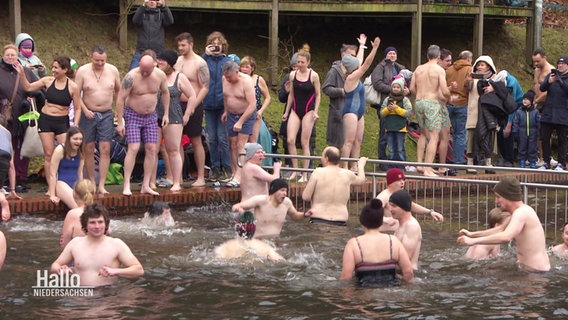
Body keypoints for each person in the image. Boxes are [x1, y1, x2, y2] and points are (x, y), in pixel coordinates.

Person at [15, 56, 82, 192]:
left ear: (65, 69)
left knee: (66, 152)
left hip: (62, 122)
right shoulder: (48, 81)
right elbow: (28, 87)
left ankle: (65, 183)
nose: (53, 70)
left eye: (56, 68)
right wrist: (21, 73)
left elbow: (78, 108)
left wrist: (75, 124)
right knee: (48, 154)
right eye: (53, 67)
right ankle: (51, 187)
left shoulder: (73, 87)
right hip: (46, 120)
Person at [457, 176, 551, 272]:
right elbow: (499, 230)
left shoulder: (522, 212)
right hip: (529, 270)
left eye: (498, 197)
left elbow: (506, 236)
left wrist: (473, 241)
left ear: (508, 196)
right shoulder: (519, 212)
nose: (496, 201)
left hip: (537, 272)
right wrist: (472, 234)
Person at [51, 203, 144, 287]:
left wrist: (115, 271)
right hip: (79, 297)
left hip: (107, 297)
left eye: (100, 222)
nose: (97, 226)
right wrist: (60, 269)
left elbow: (138, 270)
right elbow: (55, 265)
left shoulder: (116, 244)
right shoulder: (75, 243)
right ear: (85, 225)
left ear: (106, 223)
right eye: (92, 222)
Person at [116, 54, 170, 196]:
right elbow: (120, 98)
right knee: (133, 147)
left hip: (151, 116)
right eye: (142, 70)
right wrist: (120, 121)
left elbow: (165, 92)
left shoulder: (160, 76)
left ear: (154, 66)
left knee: (152, 148)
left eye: (148, 70)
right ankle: (126, 184)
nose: (144, 73)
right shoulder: (131, 77)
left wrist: (166, 114)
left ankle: (146, 184)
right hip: (133, 114)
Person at [74, 45, 121, 194]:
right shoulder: (82, 71)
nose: (100, 63)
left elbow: (120, 92)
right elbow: (75, 94)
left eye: (103, 61)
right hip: (88, 113)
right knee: (88, 148)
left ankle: (102, 184)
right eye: (97, 61)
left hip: (106, 113)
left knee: (105, 148)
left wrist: (119, 115)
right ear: (91, 57)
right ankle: (91, 181)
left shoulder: (113, 70)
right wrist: (85, 110)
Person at [152, 49, 197, 192]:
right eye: (158, 60)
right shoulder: (154, 74)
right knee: (153, 149)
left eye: (162, 61)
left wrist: (187, 114)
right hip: (155, 115)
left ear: (170, 63)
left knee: (173, 150)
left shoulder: (179, 77)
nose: (159, 62)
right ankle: (151, 181)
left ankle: (177, 181)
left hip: (173, 116)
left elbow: (192, 95)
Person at [340, 199, 413, 286]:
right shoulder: (393, 241)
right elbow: (408, 272)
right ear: (381, 221)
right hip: (390, 294)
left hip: (363, 295)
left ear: (362, 221)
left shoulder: (354, 244)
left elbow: (346, 277)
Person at [1, 44, 39, 191]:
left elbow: (37, 86)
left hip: (23, 115)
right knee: (5, 147)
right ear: (3, 56)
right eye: (8, 55)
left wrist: (32, 97)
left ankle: (21, 178)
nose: (10, 57)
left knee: (23, 146)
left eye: (13, 55)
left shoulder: (26, 72)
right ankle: (4, 178)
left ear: (17, 56)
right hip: (4, 116)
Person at [174, 32, 210, 188]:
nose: (181, 48)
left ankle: (201, 176)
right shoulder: (177, 60)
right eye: (179, 45)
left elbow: (205, 87)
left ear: (191, 44)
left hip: (193, 104)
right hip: (177, 105)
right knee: (176, 142)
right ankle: (179, 177)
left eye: (183, 45)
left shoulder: (199, 63)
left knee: (196, 140)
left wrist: (193, 105)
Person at [410, 45, 451, 177]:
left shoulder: (418, 69)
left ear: (427, 55)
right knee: (434, 136)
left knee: (423, 133)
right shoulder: (439, 70)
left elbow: (411, 88)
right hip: (432, 103)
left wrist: (420, 96)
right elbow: (444, 91)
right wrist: (450, 97)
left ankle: (420, 164)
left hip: (419, 102)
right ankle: (427, 169)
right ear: (439, 56)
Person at [341, 35, 380, 169]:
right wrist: (375, 48)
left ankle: (355, 166)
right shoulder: (351, 78)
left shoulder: (354, 74)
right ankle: (345, 167)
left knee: (358, 141)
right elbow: (366, 64)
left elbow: (359, 61)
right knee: (349, 141)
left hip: (359, 113)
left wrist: (362, 46)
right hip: (350, 112)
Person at [282, 50, 321, 183]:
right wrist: (287, 112)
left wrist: (315, 111)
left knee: (305, 142)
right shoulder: (293, 75)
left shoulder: (313, 75)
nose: (299, 64)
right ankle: (295, 170)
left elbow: (318, 94)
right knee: (290, 140)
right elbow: (291, 95)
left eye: (302, 62)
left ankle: (305, 173)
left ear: (308, 62)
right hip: (295, 109)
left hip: (308, 110)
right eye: (298, 62)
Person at [302, 146, 367, 225]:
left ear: (326, 159)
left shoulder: (318, 172)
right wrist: (361, 166)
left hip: (319, 218)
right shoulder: (347, 174)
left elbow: (306, 197)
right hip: (340, 220)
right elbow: (361, 180)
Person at [370, 46, 407, 169]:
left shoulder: (400, 68)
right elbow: (377, 83)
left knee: (399, 133)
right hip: (385, 103)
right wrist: (392, 89)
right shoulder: (380, 67)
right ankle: (383, 161)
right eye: (390, 53)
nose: (392, 55)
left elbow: (409, 82)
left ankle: (397, 161)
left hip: (401, 104)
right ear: (386, 55)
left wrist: (407, 90)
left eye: (394, 53)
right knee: (384, 133)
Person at [202, 31, 232, 183]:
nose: (215, 45)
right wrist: (206, 55)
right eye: (213, 43)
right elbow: (198, 69)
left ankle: (226, 168)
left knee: (222, 137)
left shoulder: (226, 61)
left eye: (218, 43)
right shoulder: (204, 60)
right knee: (211, 139)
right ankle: (214, 169)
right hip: (208, 104)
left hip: (222, 105)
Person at [221, 60, 257, 187]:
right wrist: (225, 111)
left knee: (241, 144)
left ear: (237, 72)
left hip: (245, 114)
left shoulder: (246, 81)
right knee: (233, 144)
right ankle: (234, 172)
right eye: (226, 77)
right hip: (231, 114)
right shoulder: (224, 79)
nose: (228, 79)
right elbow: (226, 97)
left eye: (230, 77)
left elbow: (253, 104)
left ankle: (240, 176)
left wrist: (241, 122)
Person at [232, 178, 306, 238]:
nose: (285, 193)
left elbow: (295, 215)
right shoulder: (261, 200)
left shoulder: (287, 203)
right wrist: (240, 210)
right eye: (282, 190)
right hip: (258, 242)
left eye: (286, 191)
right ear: (274, 191)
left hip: (276, 243)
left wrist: (305, 214)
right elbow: (236, 206)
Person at [376, 168, 444, 228]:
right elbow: (370, 213)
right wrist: (385, 219)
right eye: (399, 180)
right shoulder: (383, 196)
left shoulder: (400, 195)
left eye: (403, 180)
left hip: (398, 232)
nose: (402, 182)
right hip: (386, 235)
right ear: (391, 182)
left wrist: (430, 212)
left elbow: (411, 205)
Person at [322, 43, 359, 148]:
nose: (352, 58)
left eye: (354, 56)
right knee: (336, 145)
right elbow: (326, 88)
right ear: (343, 55)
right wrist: (342, 91)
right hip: (337, 112)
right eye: (350, 55)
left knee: (351, 143)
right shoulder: (334, 71)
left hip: (352, 112)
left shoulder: (354, 71)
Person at [214, 211, 284, 261]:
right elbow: (280, 261)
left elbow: (216, 262)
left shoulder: (224, 247)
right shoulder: (265, 247)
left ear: (237, 227)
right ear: (254, 228)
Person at [539, 56, 568, 171]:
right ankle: (546, 161)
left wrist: (560, 81)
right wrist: (548, 81)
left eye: (563, 64)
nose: (560, 66)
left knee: (562, 139)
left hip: (562, 113)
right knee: (544, 137)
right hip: (548, 112)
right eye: (559, 64)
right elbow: (542, 88)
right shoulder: (551, 76)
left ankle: (561, 163)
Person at [445, 50, 473, 167]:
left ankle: (445, 157)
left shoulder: (449, 69)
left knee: (446, 133)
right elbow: (469, 86)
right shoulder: (469, 69)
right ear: (468, 59)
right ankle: (458, 160)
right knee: (460, 133)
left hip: (449, 102)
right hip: (462, 103)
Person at [129, 0, 174, 70]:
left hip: (158, 52)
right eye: (150, 0)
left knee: (157, 75)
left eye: (154, 0)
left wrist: (164, 7)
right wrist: (143, 6)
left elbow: (170, 21)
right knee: (132, 71)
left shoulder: (161, 14)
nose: (152, 2)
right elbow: (135, 21)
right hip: (141, 50)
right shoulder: (142, 13)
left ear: (157, 2)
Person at [48, 127, 84, 209]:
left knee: (86, 206)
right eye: (75, 139)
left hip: (75, 184)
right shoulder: (60, 150)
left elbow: (80, 172)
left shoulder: (81, 151)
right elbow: (52, 174)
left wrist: (82, 189)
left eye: (80, 139)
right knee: (77, 207)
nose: (78, 141)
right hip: (61, 184)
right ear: (69, 139)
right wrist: (52, 194)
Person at [380, 77, 412, 169]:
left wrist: (396, 109)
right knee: (391, 149)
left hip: (400, 128)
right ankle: (391, 166)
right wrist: (388, 109)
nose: (396, 89)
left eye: (398, 87)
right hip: (389, 128)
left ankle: (402, 166)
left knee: (400, 148)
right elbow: (382, 113)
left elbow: (407, 113)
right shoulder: (387, 100)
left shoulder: (405, 100)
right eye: (394, 87)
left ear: (401, 88)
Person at [239, 56, 271, 143]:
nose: (244, 69)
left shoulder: (258, 79)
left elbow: (267, 97)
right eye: (242, 67)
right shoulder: (238, 79)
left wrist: (261, 110)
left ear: (252, 68)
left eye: (247, 67)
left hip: (255, 115)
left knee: (255, 139)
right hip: (240, 114)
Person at [532, 49, 555, 167]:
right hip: (537, 102)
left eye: (538, 61)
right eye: (534, 62)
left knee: (546, 132)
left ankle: (547, 157)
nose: (536, 64)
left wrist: (538, 100)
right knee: (537, 131)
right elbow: (536, 84)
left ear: (544, 58)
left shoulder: (550, 70)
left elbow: (549, 90)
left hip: (547, 103)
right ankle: (540, 157)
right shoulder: (537, 70)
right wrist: (534, 98)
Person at [389, 189, 422, 270]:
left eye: (394, 206)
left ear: (403, 207)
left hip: (408, 277)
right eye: (390, 205)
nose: (390, 209)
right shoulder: (400, 224)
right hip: (398, 273)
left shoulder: (411, 226)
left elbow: (405, 258)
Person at [60, 179, 95, 248]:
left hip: (79, 254)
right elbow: (108, 232)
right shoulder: (100, 211)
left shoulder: (72, 214)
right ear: (93, 194)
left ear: (74, 194)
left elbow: (65, 242)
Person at [512, 90, 540, 168]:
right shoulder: (519, 111)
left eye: (527, 99)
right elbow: (515, 122)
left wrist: (539, 131)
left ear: (531, 101)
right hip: (522, 132)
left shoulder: (535, 111)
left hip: (533, 132)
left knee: (532, 148)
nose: (525, 101)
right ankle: (522, 160)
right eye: (524, 99)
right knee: (522, 147)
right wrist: (515, 131)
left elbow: (538, 122)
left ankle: (532, 161)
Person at [0, 114, 21, 201]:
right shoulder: (8, 133)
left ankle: (4, 203)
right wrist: (12, 190)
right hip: (5, 158)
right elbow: (11, 165)